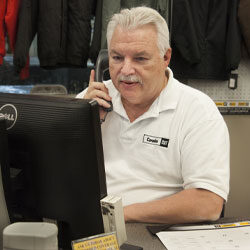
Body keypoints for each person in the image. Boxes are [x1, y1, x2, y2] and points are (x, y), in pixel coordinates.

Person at [76, 6, 230, 224]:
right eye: (117, 57)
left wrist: (119, 215)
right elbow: (56, 175)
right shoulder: (93, 98)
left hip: (156, 231)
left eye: (139, 59)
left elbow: (207, 203)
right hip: (91, 226)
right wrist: (80, 123)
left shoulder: (197, 111)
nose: (126, 70)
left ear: (165, 57)